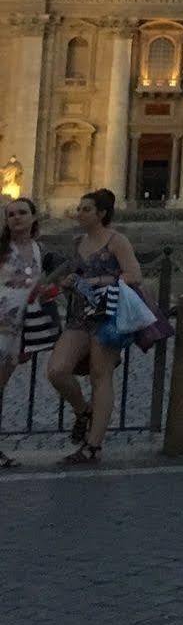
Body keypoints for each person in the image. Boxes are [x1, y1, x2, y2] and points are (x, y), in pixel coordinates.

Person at [45, 189, 142, 466]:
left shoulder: (117, 241)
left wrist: (99, 280)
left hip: (106, 317)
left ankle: (93, 445)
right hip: (78, 316)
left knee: (101, 377)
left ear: (101, 213)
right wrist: (66, 283)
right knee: (57, 370)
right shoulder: (78, 242)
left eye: (86, 209)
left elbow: (134, 274)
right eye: (79, 208)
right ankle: (84, 411)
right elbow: (75, 273)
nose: (79, 213)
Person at [1, 196, 61, 470]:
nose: (16, 218)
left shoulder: (40, 250)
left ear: (34, 218)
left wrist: (46, 292)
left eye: (22, 213)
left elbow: (38, 287)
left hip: (18, 330)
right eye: (11, 214)